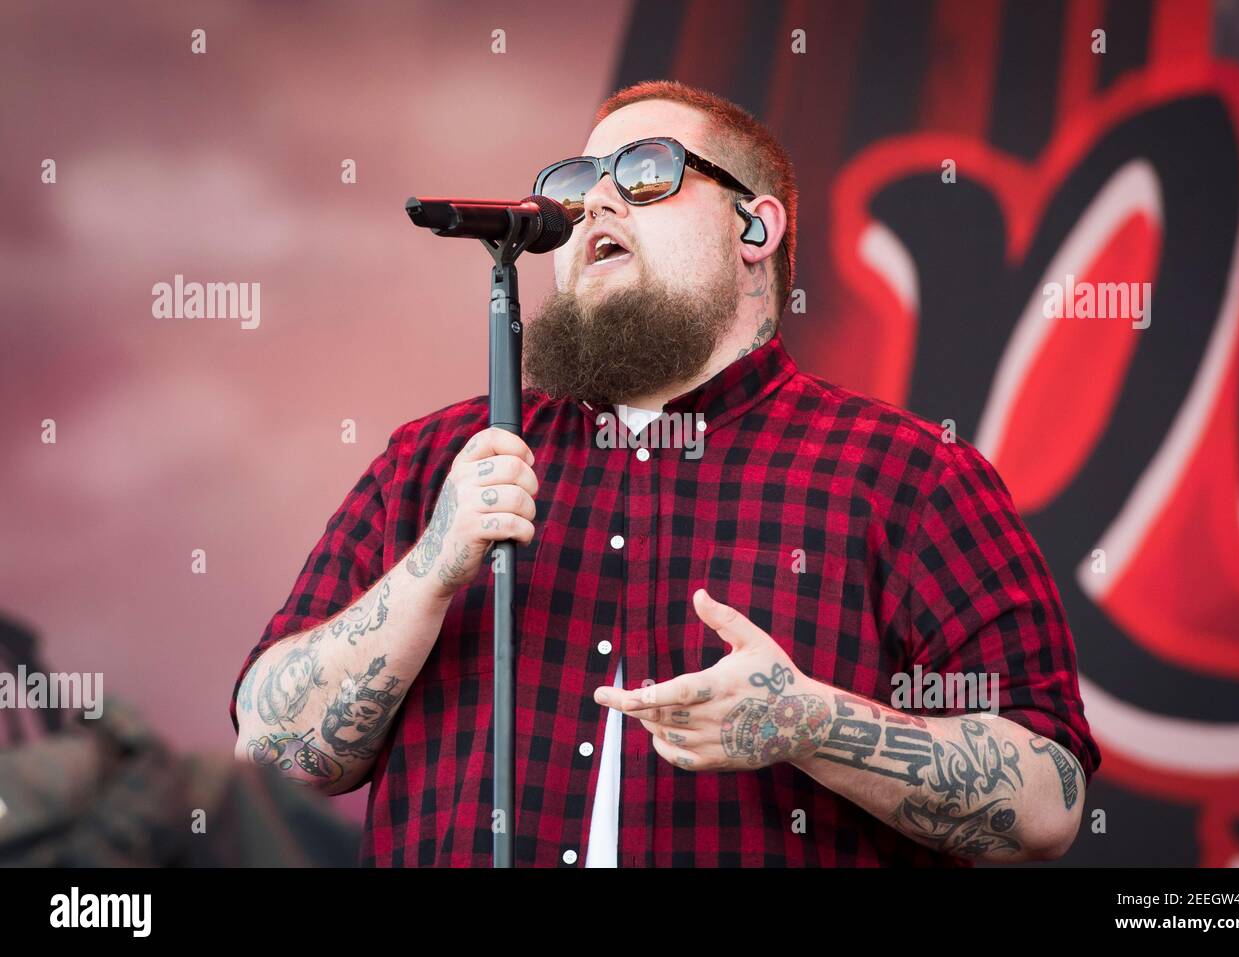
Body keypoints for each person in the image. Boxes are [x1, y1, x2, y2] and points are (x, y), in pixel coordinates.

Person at [230, 79, 1100, 867]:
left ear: (755, 227)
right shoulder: (435, 460)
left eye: (645, 171)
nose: (596, 200)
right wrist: (430, 569)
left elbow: (1046, 798)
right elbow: (269, 749)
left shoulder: (909, 475)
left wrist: (812, 722)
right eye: (576, 184)